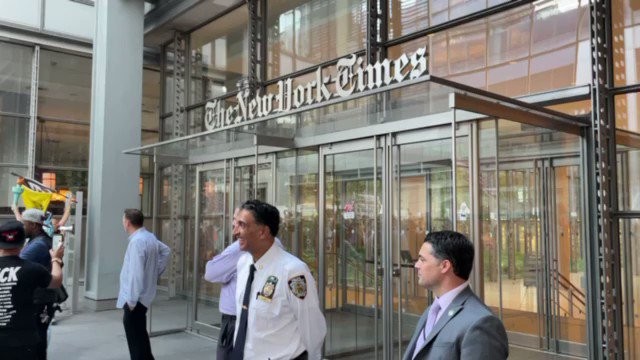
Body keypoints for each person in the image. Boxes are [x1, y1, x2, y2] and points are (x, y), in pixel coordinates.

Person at [230, 200, 326, 360]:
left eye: (242, 225)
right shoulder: (244, 264)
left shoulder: (293, 272)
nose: (235, 231)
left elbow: (311, 326)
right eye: (236, 224)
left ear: (262, 232)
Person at [402, 231, 508, 360]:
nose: (416, 265)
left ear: (445, 266)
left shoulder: (482, 323)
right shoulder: (430, 311)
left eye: (422, 260)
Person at [203, 208, 283, 360]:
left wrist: (220, 260)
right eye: (235, 220)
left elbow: (211, 272)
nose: (235, 227)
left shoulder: (239, 248)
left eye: (241, 222)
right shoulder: (276, 244)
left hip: (236, 317)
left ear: (260, 229)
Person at [0, 221, 64, 360]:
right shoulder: (33, 269)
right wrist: (56, 259)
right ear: (24, 243)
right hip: (23, 340)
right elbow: (56, 281)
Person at [117, 209, 171, 360]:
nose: (123, 223)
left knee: (136, 342)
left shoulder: (137, 242)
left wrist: (131, 301)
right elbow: (166, 251)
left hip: (135, 299)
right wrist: (154, 273)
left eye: (123, 221)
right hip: (143, 297)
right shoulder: (149, 237)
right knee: (141, 337)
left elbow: (136, 274)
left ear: (127, 222)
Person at [19, 209, 59, 360]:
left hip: (39, 300)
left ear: (34, 225)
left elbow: (18, 263)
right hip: (42, 298)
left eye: (24, 224)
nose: (22, 227)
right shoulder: (39, 240)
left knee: (37, 339)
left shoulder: (39, 244)